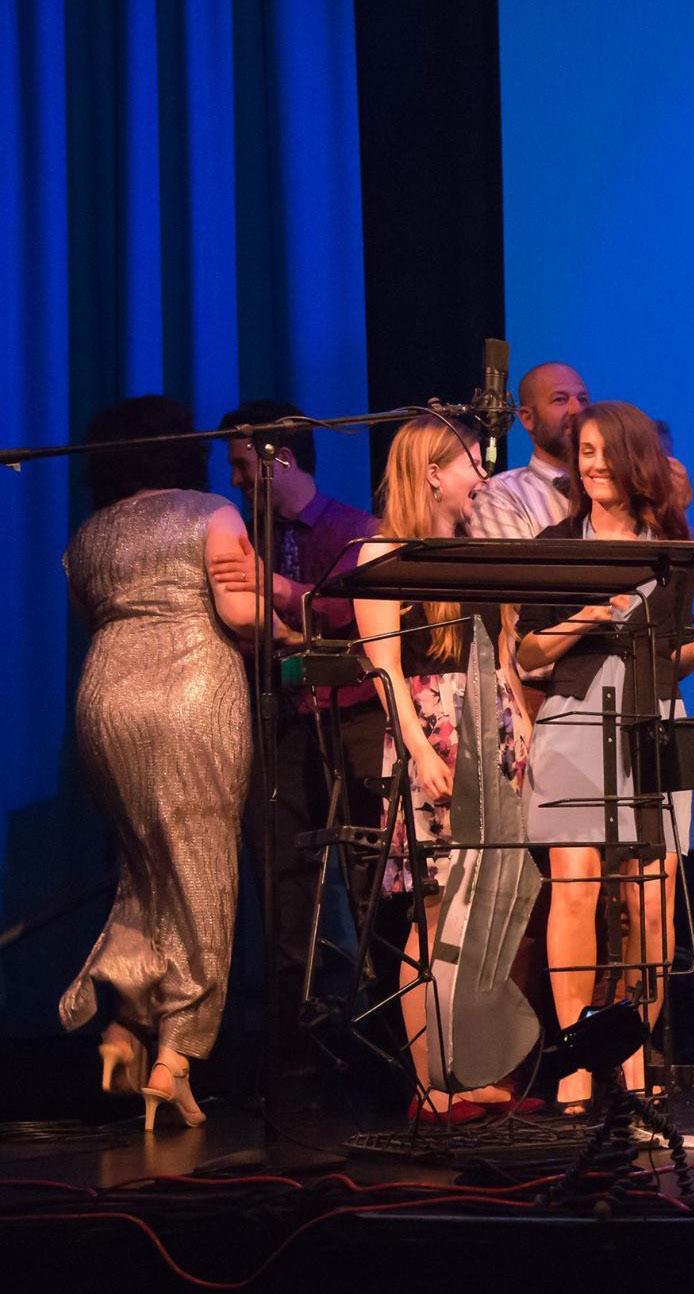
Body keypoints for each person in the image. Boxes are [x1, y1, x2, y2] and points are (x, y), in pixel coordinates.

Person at [516, 401, 694, 1111]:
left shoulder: (670, 550)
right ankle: (577, 1063)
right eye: (584, 452)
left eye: (604, 452)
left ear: (636, 461)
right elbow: (528, 655)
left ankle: (629, 1061)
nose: (592, 465)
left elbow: (669, 658)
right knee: (577, 888)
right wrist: (587, 617)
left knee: (650, 906)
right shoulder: (558, 544)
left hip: (654, 727)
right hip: (574, 724)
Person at [60, 396, 262, 1130]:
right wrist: (295, 621)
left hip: (107, 701)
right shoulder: (211, 513)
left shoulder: (87, 536)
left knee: (147, 870)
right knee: (203, 871)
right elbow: (241, 616)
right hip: (191, 694)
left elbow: (90, 615)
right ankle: (176, 1057)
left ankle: (124, 1026)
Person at [353, 415, 532, 1121]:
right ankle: (431, 1083)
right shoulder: (383, 554)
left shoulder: (474, 552)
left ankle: (466, 1070)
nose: (483, 476)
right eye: (470, 463)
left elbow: (502, 649)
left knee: (483, 912)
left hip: (491, 728)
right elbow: (385, 670)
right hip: (433, 731)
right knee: (434, 913)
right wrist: (420, 750)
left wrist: (521, 726)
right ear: (432, 473)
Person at [210, 403, 385, 1091]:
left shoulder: (352, 530)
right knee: (282, 882)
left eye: (241, 465)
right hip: (277, 724)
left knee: (369, 875)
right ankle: (294, 1053)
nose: (234, 480)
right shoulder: (240, 535)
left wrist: (284, 595)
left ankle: (382, 1042)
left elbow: (363, 614)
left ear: (278, 458)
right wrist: (282, 628)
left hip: (351, 720)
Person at [466, 362, 591, 546]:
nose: (576, 409)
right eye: (560, 400)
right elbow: (517, 564)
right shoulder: (502, 496)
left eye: (583, 399)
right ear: (527, 418)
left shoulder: (611, 487)